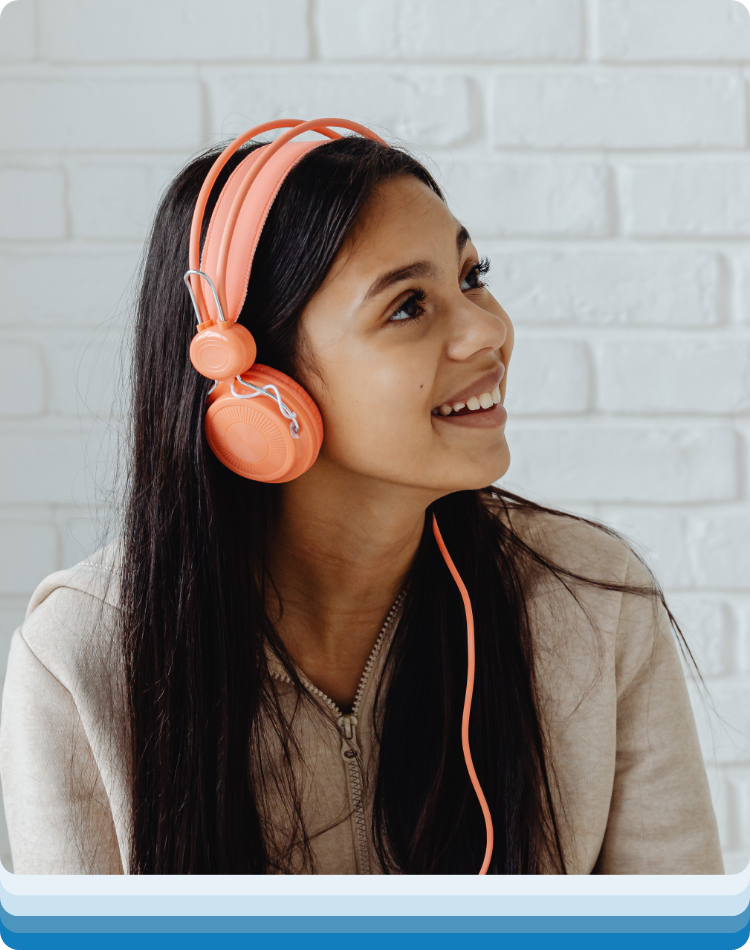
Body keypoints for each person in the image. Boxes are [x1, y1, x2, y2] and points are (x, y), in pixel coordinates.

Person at [0, 122, 723, 876]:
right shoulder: (81, 660)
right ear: (258, 390)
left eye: (472, 277)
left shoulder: (594, 603)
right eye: (408, 306)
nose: (488, 332)